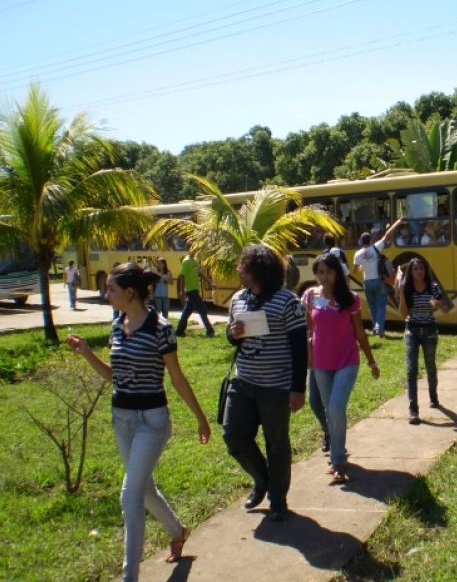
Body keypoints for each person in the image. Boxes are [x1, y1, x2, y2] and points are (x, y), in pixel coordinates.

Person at [65, 263, 210, 582]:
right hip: (122, 419)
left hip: (152, 422)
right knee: (143, 489)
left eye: (111, 289)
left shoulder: (161, 328)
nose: (106, 294)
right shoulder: (117, 326)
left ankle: (129, 576)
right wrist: (87, 353)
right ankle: (178, 530)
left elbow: (176, 377)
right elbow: (114, 377)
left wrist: (201, 418)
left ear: (130, 293)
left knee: (129, 496)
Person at [223, 245, 307, 521]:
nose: (239, 269)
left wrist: (298, 388)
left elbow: (299, 348)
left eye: (243, 265)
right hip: (243, 381)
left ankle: (278, 500)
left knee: (277, 444)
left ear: (257, 269)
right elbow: (231, 336)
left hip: (276, 387)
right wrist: (233, 333)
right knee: (233, 436)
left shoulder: (288, 301)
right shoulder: (238, 299)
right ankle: (262, 480)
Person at [303, 253, 379, 483]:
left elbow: (359, 332)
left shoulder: (350, 299)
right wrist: (307, 359)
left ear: (337, 273)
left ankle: (337, 460)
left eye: (329, 271)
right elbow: (308, 329)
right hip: (320, 362)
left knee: (336, 407)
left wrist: (371, 361)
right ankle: (338, 451)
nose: (324, 276)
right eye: (320, 272)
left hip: (347, 360)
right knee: (329, 410)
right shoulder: (310, 296)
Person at [398, 258, 449, 424]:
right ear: (411, 272)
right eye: (415, 269)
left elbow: (446, 310)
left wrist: (438, 304)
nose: (419, 271)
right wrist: (401, 292)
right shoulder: (407, 288)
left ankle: (433, 396)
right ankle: (413, 410)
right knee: (411, 370)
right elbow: (403, 314)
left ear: (425, 270)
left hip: (429, 331)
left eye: (421, 268)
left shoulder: (433, 287)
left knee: (430, 366)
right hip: (412, 331)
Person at [353, 217, 404, 337]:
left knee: (372, 307)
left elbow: (355, 270)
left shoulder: (357, 254)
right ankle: (379, 330)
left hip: (367, 283)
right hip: (378, 281)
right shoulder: (375, 248)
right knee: (381, 305)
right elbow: (387, 235)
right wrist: (397, 222)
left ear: (361, 242)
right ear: (370, 240)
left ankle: (375, 328)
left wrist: (362, 268)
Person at [175, 252, 215, 337]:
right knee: (202, 310)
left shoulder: (195, 261)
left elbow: (200, 273)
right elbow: (182, 276)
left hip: (195, 290)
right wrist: (181, 290)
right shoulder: (186, 261)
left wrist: (210, 282)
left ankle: (179, 331)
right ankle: (210, 330)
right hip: (191, 290)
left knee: (187, 311)